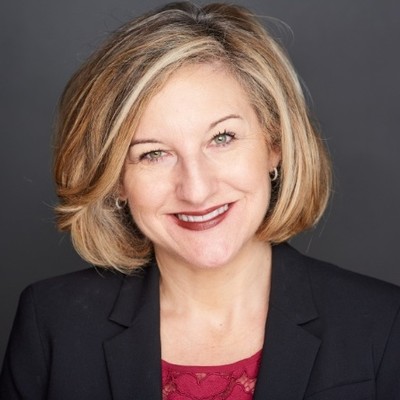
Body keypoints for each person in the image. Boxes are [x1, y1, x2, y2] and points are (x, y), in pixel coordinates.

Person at [1, 2, 399, 399]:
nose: (196, 190)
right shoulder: (51, 322)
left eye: (222, 138)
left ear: (274, 145)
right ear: (115, 180)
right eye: (153, 154)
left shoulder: (383, 323)